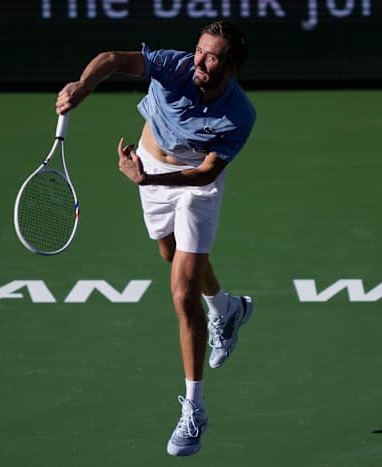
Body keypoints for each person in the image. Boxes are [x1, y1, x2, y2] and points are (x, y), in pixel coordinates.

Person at [55, 20, 256, 457]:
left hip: (193, 186)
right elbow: (112, 59)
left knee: (183, 292)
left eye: (213, 57)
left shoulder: (239, 114)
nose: (200, 61)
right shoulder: (173, 65)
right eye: (199, 50)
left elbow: (206, 173)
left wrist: (147, 180)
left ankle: (194, 410)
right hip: (148, 167)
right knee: (170, 253)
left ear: (231, 66)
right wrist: (84, 86)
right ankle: (227, 308)